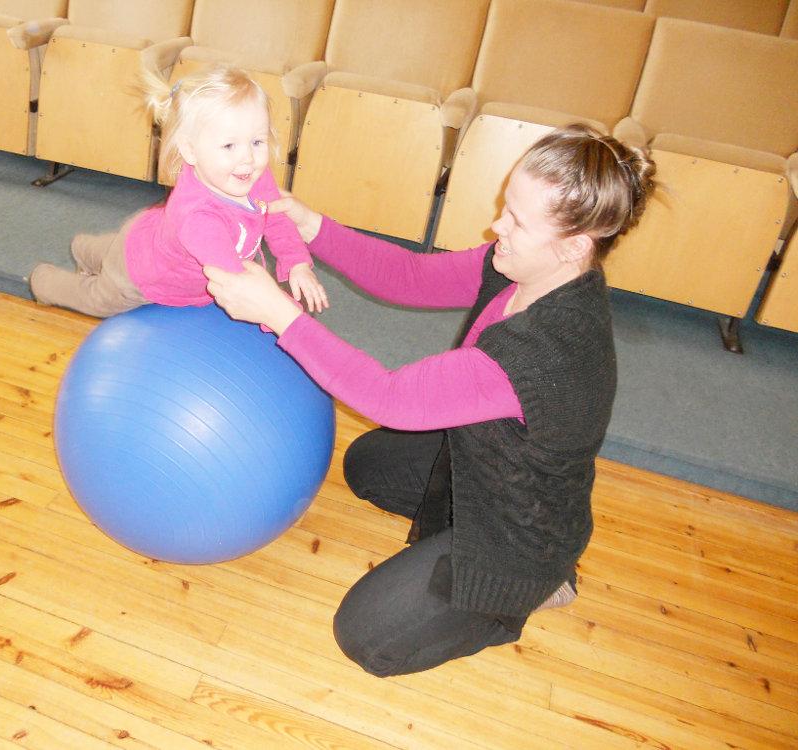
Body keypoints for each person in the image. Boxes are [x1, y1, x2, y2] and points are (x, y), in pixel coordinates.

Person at [203, 124, 656, 677]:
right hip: (485, 457)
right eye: (505, 207)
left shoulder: (544, 352)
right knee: (367, 465)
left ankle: (539, 584)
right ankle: (454, 533)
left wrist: (278, 314)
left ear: (575, 246)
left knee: (368, 637)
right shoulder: (524, 267)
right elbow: (412, 277)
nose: (498, 226)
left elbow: (390, 397)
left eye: (516, 219)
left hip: (522, 531)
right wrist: (310, 226)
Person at [29, 66, 327, 317]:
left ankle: (84, 247)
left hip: (147, 238)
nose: (247, 158)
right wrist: (285, 315)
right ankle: (44, 281)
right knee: (98, 298)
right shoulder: (199, 219)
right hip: (141, 276)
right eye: (229, 146)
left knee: (116, 250)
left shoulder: (247, 174)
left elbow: (277, 217)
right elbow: (236, 280)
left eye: (257, 142)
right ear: (190, 151)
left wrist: (296, 263)